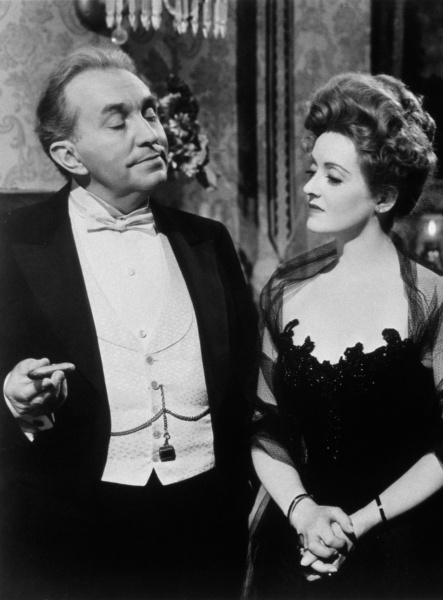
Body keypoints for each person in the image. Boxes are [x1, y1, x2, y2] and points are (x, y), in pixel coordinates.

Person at [0, 46, 257, 599]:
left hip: (204, 536)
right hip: (70, 541)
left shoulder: (209, 242)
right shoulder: (12, 244)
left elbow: (245, 387)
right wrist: (12, 399)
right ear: (69, 155)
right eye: (118, 122)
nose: (151, 134)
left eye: (150, 113)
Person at [245, 72, 443, 599]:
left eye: (332, 176)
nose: (310, 187)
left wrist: (359, 523)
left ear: (384, 196)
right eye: (312, 170)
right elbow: (265, 425)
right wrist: (303, 514)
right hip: (299, 538)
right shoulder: (283, 289)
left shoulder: (440, 300)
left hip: (410, 548)